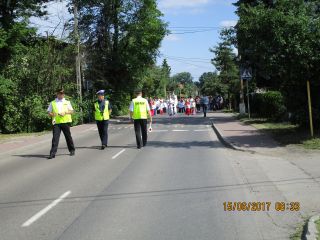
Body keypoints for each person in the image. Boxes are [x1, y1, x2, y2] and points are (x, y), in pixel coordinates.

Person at [47, 88, 75, 159]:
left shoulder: (67, 102)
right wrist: (51, 114)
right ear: (57, 94)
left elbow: (72, 111)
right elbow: (49, 112)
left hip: (65, 122)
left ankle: (72, 150)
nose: (61, 95)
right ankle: (52, 153)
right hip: (56, 123)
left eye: (62, 94)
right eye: (60, 93)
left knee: (68, 137)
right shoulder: (53, 102)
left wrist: (65, 112)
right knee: (55, 138)